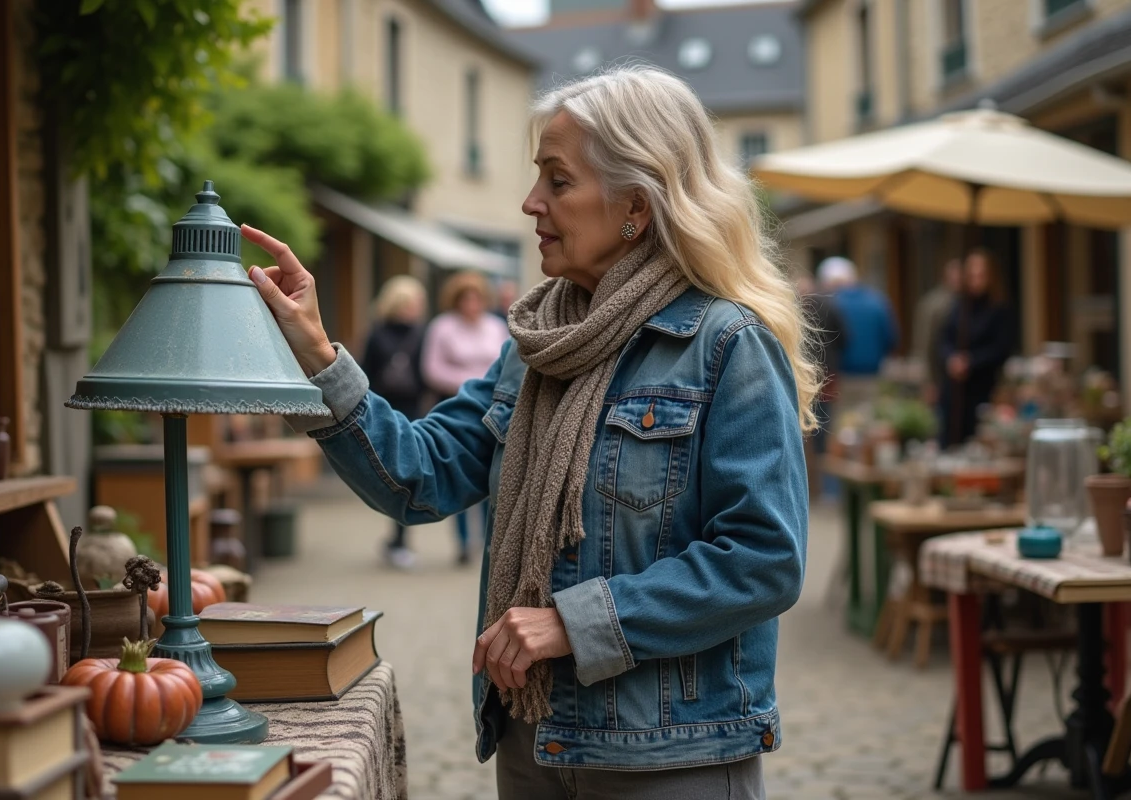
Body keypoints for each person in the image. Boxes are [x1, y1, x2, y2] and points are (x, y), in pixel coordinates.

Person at [243, 64, 812, 799]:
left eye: (558, 180)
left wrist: (574, 624)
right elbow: (420, 475)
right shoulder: (538, 346)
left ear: (635, 203)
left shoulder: (728, 346)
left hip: (668, 759)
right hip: (533, 739)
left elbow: (764, 559)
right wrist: (317, 355)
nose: (530, 202)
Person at [421, 272, 510, 564]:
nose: (472, 304)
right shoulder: (442, 327)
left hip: (494, 408)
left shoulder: (496, 327)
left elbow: (506, 365)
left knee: (490, 476)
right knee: (458, 471)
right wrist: (470, 383)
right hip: (456, 404)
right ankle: (462, 542)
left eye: (477, 298)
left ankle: (489, 541)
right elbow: (431, 369)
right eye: (466, 299)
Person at [360, 275, 428, 569]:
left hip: (414, 410)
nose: (415, 308)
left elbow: (428, 372)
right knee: (388, 472)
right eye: (411, 302)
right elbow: (366, 374)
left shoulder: (424, 334)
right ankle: (396, 537)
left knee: (409, 473)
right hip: (384, 409)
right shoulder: (376, 335)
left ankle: (400, 538)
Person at [938, 248, 1012, 448]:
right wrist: (951, 359)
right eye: (972, 275)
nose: (976, 280)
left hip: (981, 388)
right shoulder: (959, 307)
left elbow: (1000, 349)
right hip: (954, 391)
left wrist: (971, 362)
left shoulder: (997, 310)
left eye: (981, 275)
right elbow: (945, 340)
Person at [818, 256, 897, 414]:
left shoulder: (831, 304)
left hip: (841, 377)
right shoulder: (878, 301)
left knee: (842, 425)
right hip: (872, 374)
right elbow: (891, 338)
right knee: (868, 422)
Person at [796, 273, 845, 500]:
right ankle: (829, 490)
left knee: (804, 431)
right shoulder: (830, 305)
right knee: (826, 427)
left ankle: (810, 488)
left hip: (801, 376)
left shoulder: (792, 307)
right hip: (827, 375)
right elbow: (845, 337)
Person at [911, 258, 961, 403]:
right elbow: (924, 343)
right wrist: (928, 381)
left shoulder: (966, 303)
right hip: (938, 373)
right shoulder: (935, 304)